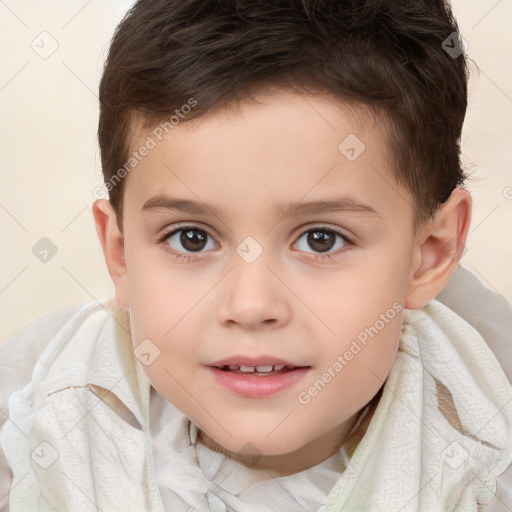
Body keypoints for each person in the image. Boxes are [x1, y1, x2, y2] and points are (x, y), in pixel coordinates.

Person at [1, 0, 511, 510]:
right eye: (191, 238)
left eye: (321, 239)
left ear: (429, 254)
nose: (250, 305)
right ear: (122, 254)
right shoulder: (33, 433)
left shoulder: (484, 461)